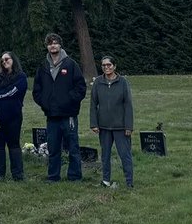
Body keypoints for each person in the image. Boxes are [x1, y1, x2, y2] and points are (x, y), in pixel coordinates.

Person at [32, 33, 87, 182]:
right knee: (53, 148)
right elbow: (36, 90)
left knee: (73, 148)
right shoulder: (43, 66)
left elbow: (81, 88)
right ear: (47, 47)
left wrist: (69, 100)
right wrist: (45, 103)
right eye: (50, 43)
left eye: (55, 43)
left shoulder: (71, 64)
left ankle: (75, 176)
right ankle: (53, 176)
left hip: (68, 115)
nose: (53, 46)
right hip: (52, 115)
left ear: (60, 45)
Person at [90, 55, 134, 188]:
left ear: (114, 66)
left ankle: (129, 182)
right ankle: (106, 180)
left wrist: (128, 126)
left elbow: (128, 105)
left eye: (109, 65)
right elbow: (93, 104)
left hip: (120, 127)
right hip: (103, 127)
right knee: (105, 155)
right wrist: (94, 123)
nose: (106, 67)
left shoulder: (123, 82)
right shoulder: (98, 82)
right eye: (104, 65)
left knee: (125, 155)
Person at [0, 52, 28, 181]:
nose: (4, 61)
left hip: (13, 115)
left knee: (14, 144)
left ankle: (18, 174)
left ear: (13, 60)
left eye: (7, 59)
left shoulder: (21, 76)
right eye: (2, 60)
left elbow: (13, 92)